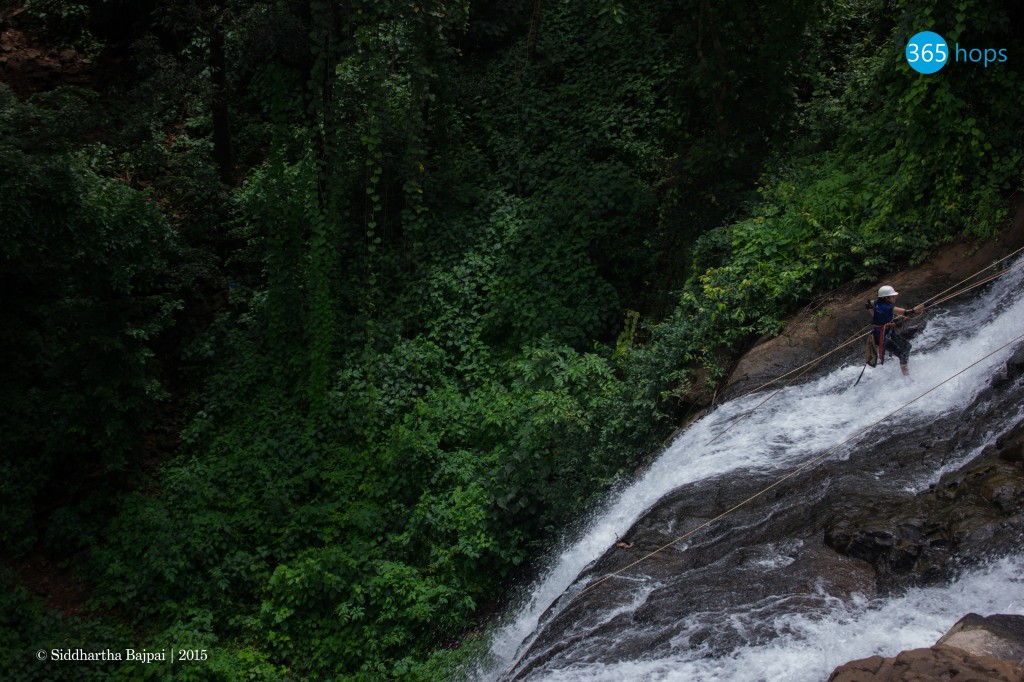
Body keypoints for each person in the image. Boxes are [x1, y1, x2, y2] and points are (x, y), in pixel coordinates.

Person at [867, 285, 925, 376]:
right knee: (906, 348)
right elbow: (907, 313)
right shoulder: (888, 308)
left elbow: (868, 304)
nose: (895, 297)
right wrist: (916, 309)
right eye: (893, 296)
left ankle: (905, 371)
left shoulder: (876, 302)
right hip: (885, 337)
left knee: (901, 353)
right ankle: (906, 374)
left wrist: (874, 316)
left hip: (880, 335)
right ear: (886, 298)